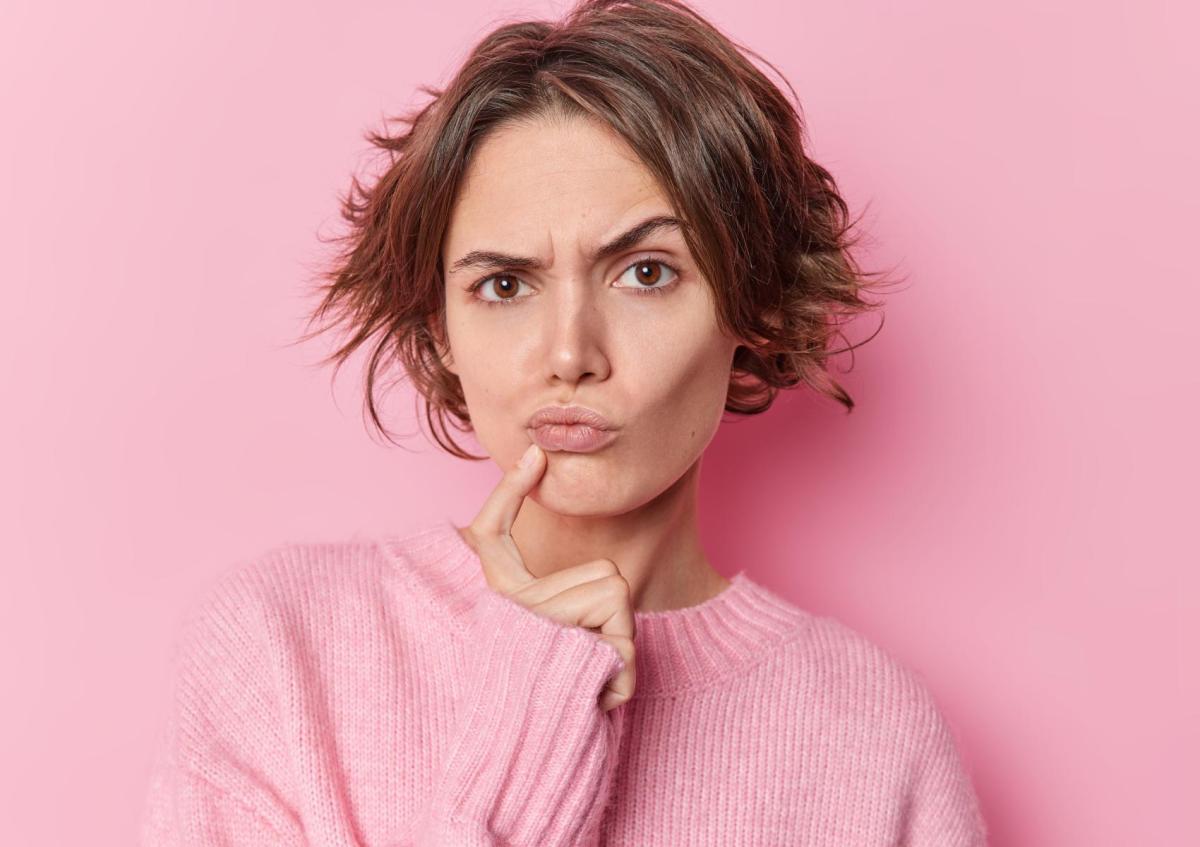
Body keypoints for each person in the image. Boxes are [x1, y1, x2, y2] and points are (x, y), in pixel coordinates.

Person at [138, 0, 988, 844]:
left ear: (752, 307)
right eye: (505, 285)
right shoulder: (281, 654)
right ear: (441, 328)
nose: (570, 353)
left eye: (646, 272)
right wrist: (532, 711)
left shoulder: (873, 736)